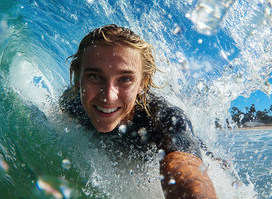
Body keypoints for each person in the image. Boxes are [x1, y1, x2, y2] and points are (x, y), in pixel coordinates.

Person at [59, 24, 218, 198]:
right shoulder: (72, 103)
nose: (108, 97)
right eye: (94, 76)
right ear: (77, 78)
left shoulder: (163, 118)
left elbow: (186, 171)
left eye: (125, 79)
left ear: (143, 83)